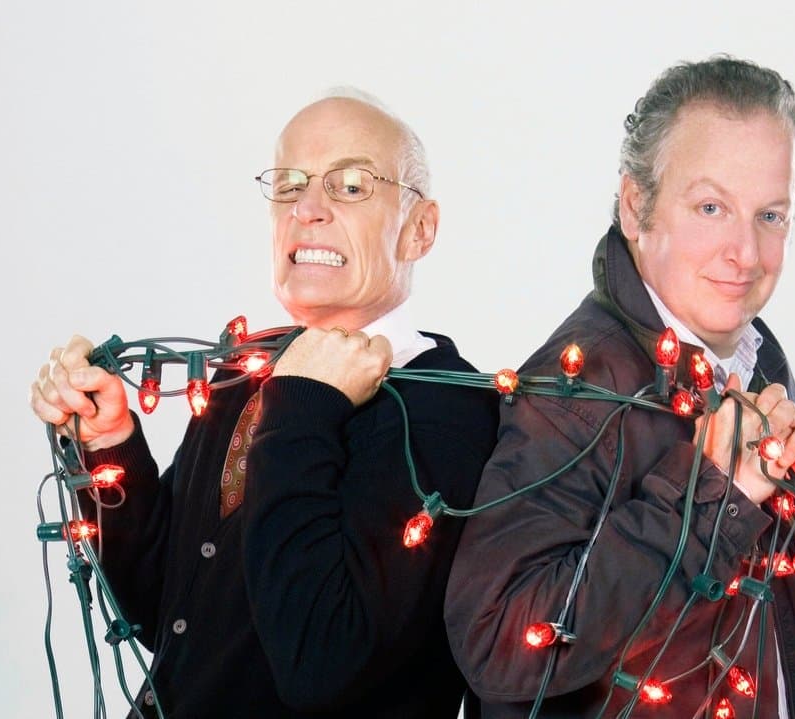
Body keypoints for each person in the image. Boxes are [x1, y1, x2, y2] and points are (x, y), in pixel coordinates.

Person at [444, 57, 795, 718]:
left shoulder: (752, 356)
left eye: (771, 215)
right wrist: (711, 495)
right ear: (637, 207)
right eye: (711, 207)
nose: (745, 253)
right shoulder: (577, 386)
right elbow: (499, 645)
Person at [29, 91, 498, 718]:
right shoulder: (247, 371)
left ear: (420, 229)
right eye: (289, 185)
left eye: (351, 186)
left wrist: (305, 405)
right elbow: (165, 613)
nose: (307, 209)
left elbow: (322, 664)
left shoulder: (446, 410)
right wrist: (110, 441)